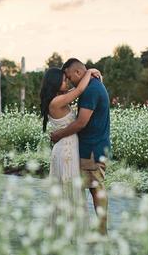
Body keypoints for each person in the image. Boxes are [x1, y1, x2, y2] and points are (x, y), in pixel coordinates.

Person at [40, 65, 102, 240]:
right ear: (55, 82)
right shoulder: (56, 101)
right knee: (69, 189)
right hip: (66, 151)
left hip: (66, 148)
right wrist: (89, 72)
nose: (67, 81)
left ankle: (68, 230)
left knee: (68, 189)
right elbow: (80, 89)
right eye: (64, 79)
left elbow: (77, 90)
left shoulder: (58, 98)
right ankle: (71, 233)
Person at [51, 58, 111, 236]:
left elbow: (81, 123)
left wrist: (58, 135)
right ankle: (82, 227)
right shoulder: (91, 86)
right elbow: (75, 92)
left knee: (95, 188)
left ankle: (101, 231)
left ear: (78, 73)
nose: (68, 81)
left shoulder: (90, 90)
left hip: (91, 149)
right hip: (90, 146)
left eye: (69, 76)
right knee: (86, 188)